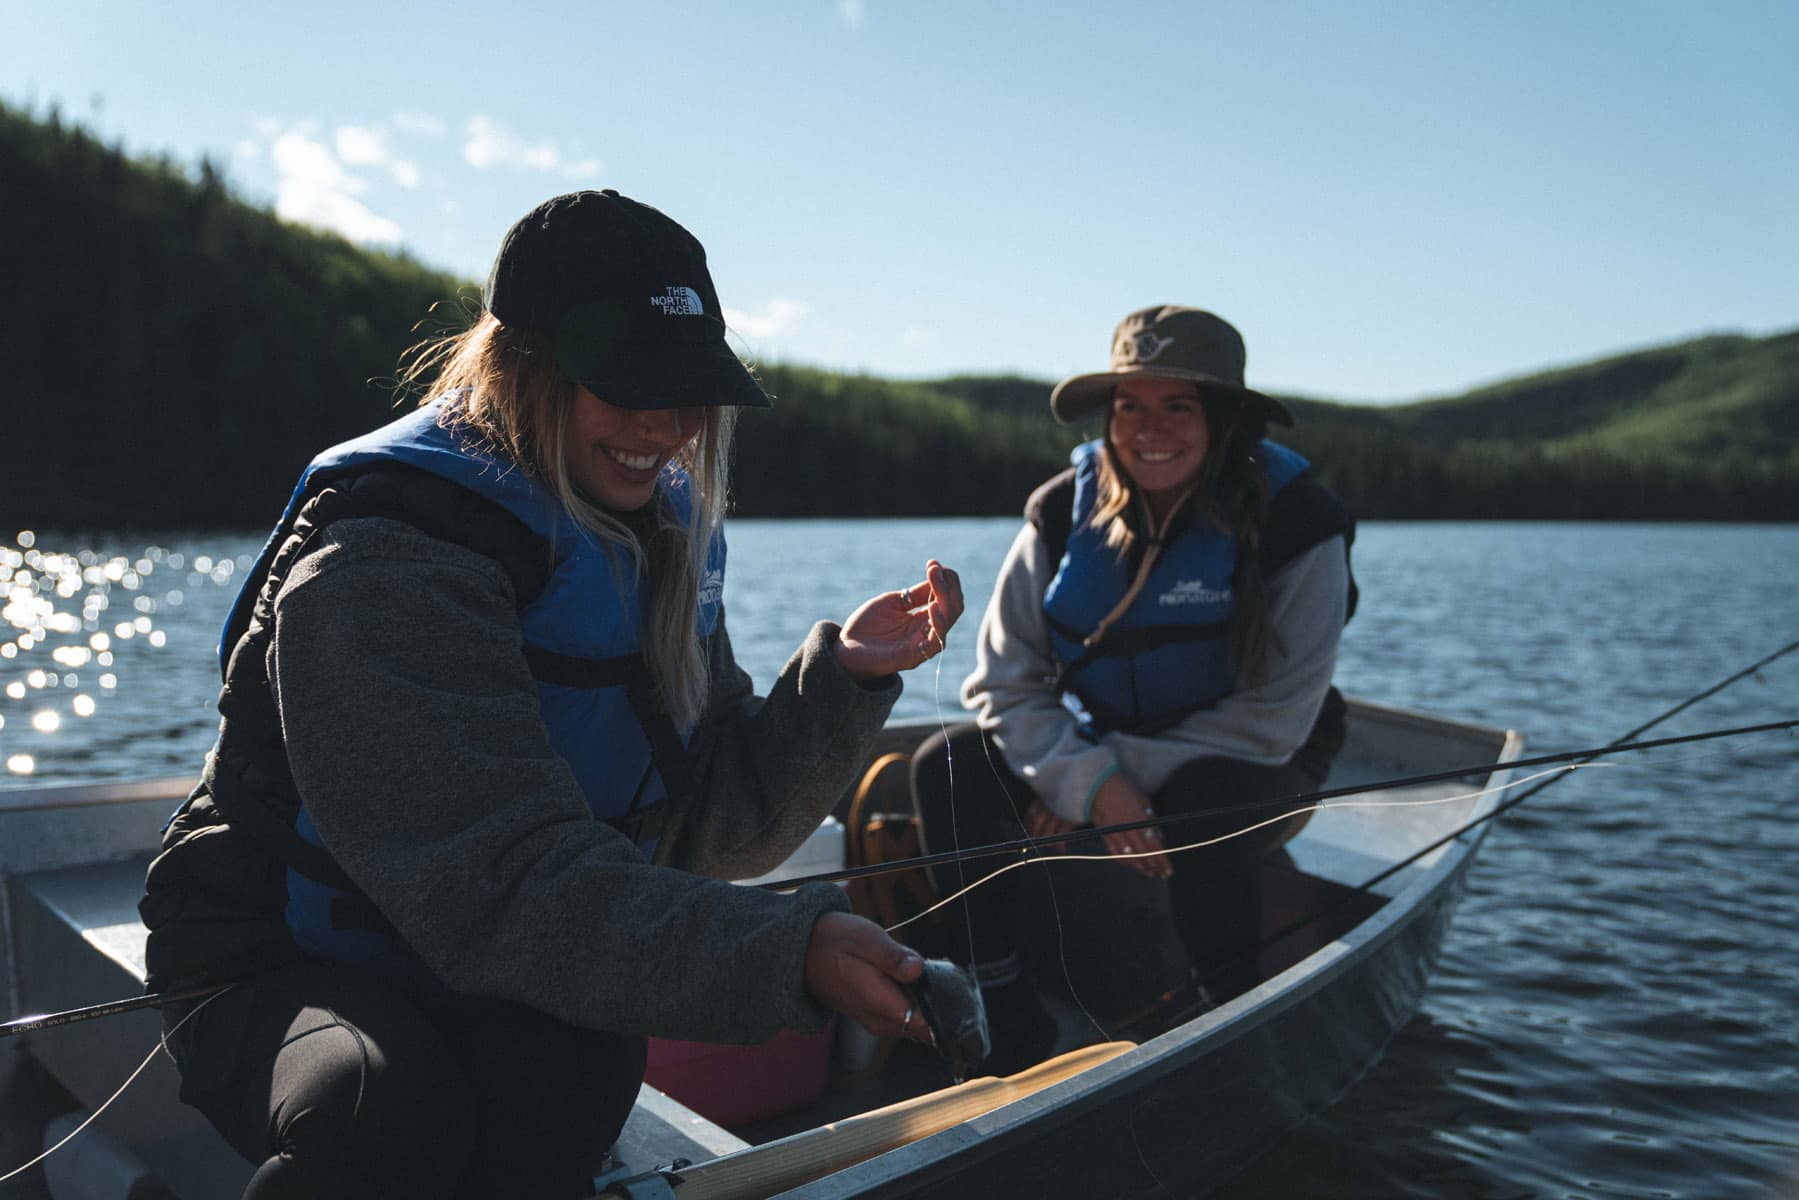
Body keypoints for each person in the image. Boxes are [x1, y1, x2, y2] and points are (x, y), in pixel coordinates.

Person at [138, 189, 963, 1200]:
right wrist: (788, 952)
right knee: (385, 1109)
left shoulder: (649, 535)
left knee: (578, 1066)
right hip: (276, 951)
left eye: (688, 389)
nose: (664, 424)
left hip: (469, 949)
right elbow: (496, 882)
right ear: (519, 363)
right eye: (628, 383)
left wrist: (844, 682)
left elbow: (702, 825)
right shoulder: (385, 558)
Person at [911, 305, 1354, 1069]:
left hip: (1256, 760)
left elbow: (1273, 719)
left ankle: (1228, 1013)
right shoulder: (1057, 513)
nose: (1149, 429)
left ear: (1223, 419)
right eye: (1129, 407)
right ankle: (999, 1008)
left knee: (1202, 795)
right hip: (1099, 758)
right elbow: (1005, 681)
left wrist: (1100, 781)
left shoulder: (1301, 523)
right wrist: (1087, 779)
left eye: (1177, 407)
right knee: (945, 767)